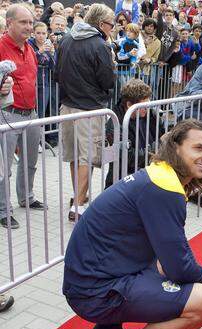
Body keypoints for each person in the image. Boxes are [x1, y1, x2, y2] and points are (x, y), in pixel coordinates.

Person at [63, 119, 202, 329]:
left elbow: (168, 257)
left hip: (90, 279)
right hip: (93, 292)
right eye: (198, 148)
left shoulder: (159, 174)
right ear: (176, 147)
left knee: (160, 266)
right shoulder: (164, 188)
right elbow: (180, 268)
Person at [55, 3, 116, 222]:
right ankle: (79, 204)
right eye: (111, 24)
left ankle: (78, 196)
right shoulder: (100, 45)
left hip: (67, 107)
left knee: (76, 156)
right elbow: (107, 80)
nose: (113, 28)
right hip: (89, 109)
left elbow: (56, 74)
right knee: (87, 158)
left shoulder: (66, 39)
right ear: (101, 24)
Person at [0, 4, 44, 230]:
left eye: (30, 23)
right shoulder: (0, 46)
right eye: (23, 22)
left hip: (31, 114)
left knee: (30, 161)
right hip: (7, 115)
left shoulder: (29, 48)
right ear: (9, 23)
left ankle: (26, 197)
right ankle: (3, 209)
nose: (29, 27)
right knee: (3, 167)